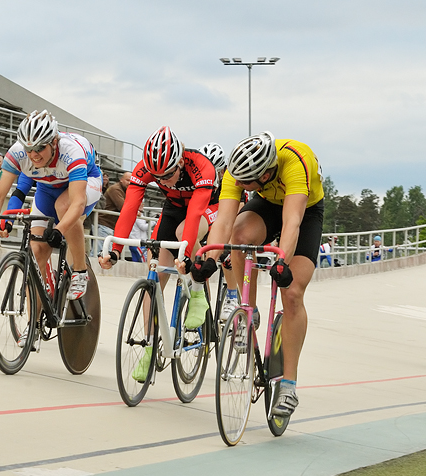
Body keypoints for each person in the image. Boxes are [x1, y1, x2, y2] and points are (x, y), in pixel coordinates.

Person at [189, 131, 325, 418]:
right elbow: (224, 221)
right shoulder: (236, 171)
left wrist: (282, 263)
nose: (237, 185)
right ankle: (246, 307)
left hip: (305, 210)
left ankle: (288, 385)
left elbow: (292, 222)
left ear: (264, 175)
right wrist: (211, 257)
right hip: (267, 203)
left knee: (292, 293)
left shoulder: (296, 160)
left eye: (244, 182)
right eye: (235, 179)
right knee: (240, 236)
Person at [98, 126, 218, 378]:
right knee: (156, 276)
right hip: (174, 207)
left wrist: (185, 255)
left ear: (180, 161)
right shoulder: (145, 169)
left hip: (206, 206)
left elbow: (195, 213)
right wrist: (116, 249)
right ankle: (150, 348)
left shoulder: (200, 166)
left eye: (168, 175)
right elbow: (130, 208)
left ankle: (198, 292)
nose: (163, 181)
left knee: (184, 233)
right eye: (157, 177)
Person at [0, 110, 101, 311]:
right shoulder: (17, 153)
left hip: (86, 182)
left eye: (40, 148)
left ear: (54, 142)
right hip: (47, 189)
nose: (34, 155)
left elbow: (77, 203)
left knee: (63, 206)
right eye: (29, 148)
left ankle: (80, 270)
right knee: (37, 252)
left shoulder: (71, 152)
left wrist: (59, 230)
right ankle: (33, 327)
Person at [92, 171, 130, 257]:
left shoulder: (126, 190)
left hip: (111, 226)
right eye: (127, 180)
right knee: (102, 252)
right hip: (104, 224)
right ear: (121, 180)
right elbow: (122, 206)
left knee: (103, 251)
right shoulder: (115, 189)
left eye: (131, 181)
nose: (130, 182)